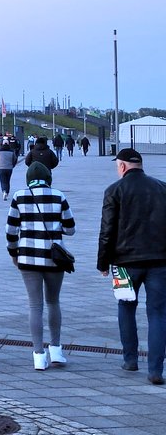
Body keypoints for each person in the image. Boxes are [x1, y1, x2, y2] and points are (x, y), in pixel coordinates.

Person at [97, 148, 166, 384]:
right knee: (158, 313)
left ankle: (130, 359)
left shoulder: (114, 190)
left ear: (123, 166)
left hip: (124, 262)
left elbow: (107, 230)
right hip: (159, 261)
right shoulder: (162, 188)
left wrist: (103, 262)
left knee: (126, 307)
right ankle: (156, 370)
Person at [6, 161, 75, 370]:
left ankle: (38, 355)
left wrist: (13, 253)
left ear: (28, 179)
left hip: (27, 257)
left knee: (35, 305)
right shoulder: (59, 196)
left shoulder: (19, 196)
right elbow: (70, 229)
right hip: (54, 259)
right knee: (53, 302)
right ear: (48, 178)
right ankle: (56, 350)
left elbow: (10, 231)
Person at [0, 137, 18, 201]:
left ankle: (4, 191)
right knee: (8, 180)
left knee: (2, 181)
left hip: (1, 168)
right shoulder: (12, 151)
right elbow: (15, 159)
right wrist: (12, 165)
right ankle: (7, 192)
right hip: (9, 168)